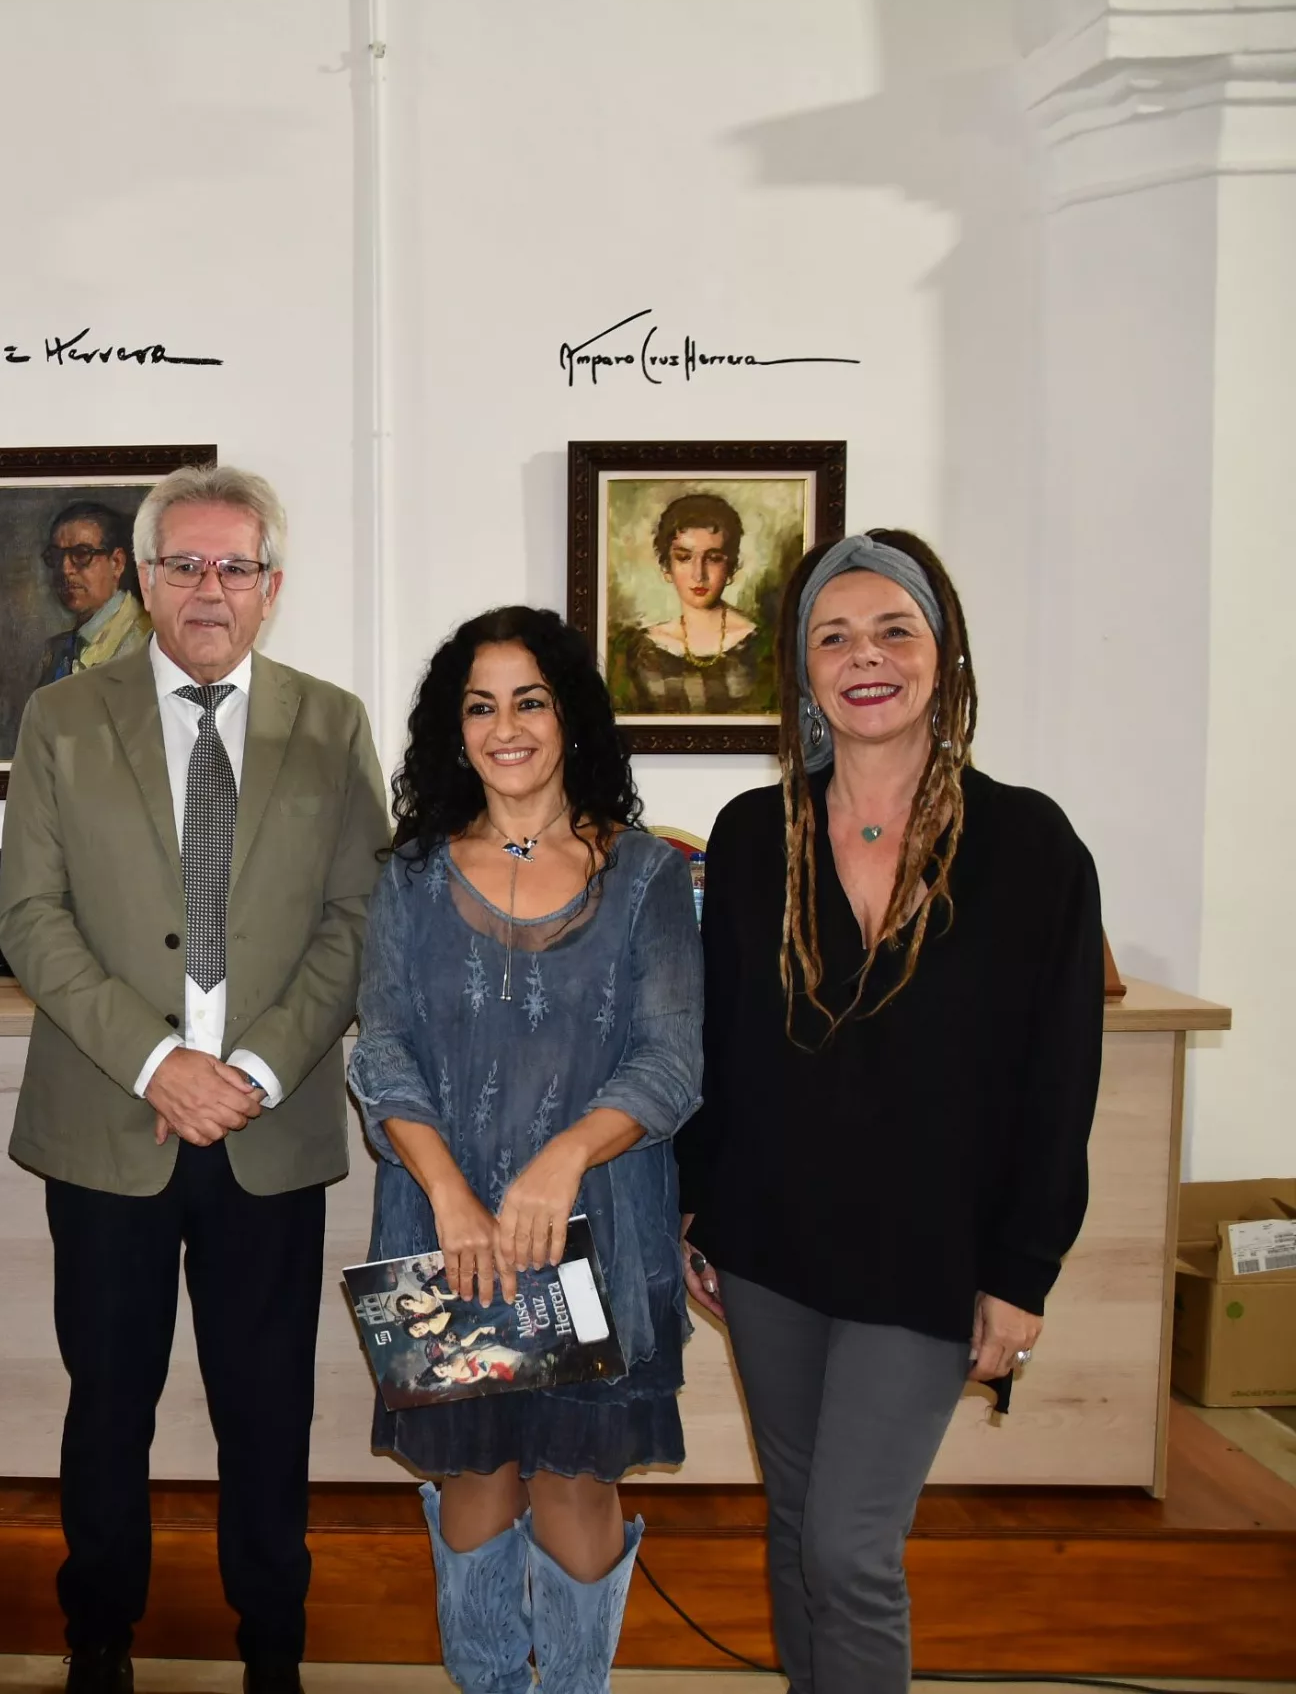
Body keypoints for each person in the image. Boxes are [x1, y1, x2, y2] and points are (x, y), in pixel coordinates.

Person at [675, 531, 1105, 1693]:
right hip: (769, 1248)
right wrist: (694, 1208)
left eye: (892, 631)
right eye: (833, 637)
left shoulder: (1030, 845)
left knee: (848, 1549)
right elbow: (720, 1044)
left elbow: (1058, 1077)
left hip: (929, 1257)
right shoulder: (751, 835)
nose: (864, 658)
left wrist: (1022, 1271)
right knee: (794, 1520)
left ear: (942, 654)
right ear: (802, 671)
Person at [0, 464, 388, 1694]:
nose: (208, 589)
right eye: (184, 565)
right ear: (143, 580)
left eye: (234, 567)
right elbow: (29, 916)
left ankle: (272, 1650)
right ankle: (98, 1641)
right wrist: (160, 1062)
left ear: (272, 586)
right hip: (110, 1124)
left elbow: (358, 920)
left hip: (268, 1131)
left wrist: (254, 1069)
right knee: (107, 1405)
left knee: (267, 1411)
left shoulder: (332, 725)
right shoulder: (61, 720)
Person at [348, 606, 702, 1694]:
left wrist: (563, 1161)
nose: (505, 727)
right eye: (480, 706)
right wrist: (449, 1192)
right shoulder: (409, 878)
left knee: (575, 1485)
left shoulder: (645, 874)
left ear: (570, 716)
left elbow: (672, 1060)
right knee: (476, 1479)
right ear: (455, 733)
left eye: (529, 700)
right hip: (443, 1231)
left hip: (602, 1235)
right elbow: (383, 1051)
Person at [607, 494, 774, 716]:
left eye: (713, 558)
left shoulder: (764, 649)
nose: (698, 575)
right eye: (684, 557)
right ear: (667, 567)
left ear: (731, 567)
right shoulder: (636, 652)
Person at [35, 500, 151, 686]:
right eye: (56, 556)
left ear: (117, 563)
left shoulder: (145, 643)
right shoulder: (57, 651)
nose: (65, 569)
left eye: (82, 554)